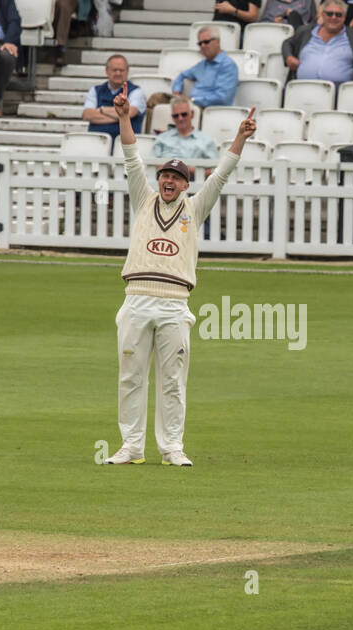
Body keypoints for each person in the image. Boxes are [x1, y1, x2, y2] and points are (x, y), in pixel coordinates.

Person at [101, 94, 255, 467]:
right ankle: (132, 446)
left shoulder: (194, 208)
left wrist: (241, 137)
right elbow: (131, 158)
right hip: (137, 297)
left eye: (176, 178)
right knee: (130, 378)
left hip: (174, 303)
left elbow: (221, 176)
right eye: (165, 176)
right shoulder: (143, 199)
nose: (169, 181)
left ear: (186, 185)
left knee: (173, 380)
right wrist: (124, 118)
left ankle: (172, 446)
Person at [282, 0, 353, 84]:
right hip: (302, 89)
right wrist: (289, 57)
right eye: (329, 14)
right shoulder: (305, 31)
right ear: (323, 15)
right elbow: (287, 43)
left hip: (339, 93)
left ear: (344, 17)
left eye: (338, 15)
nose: (333, 17)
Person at [171, 26, 238, 109]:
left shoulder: (227, 65)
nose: (202, 46)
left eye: (206, 42)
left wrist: (193, 100)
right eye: (200, 43)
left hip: (207, 109)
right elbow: (182, 75)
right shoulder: (202, 64)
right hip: (190, 105)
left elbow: (222, 98)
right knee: (156, 98)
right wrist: (177, 92)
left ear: (217, 42)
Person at [150, 96, 218, 178]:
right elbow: (151, 164)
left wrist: (190, 170)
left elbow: (215, 170)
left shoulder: (206, 140)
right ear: (172, 117)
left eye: (184, 114)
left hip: (193, 181)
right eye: (176, 116)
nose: (180, 118)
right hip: (163, 180)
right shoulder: (162, 138)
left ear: (192, 114)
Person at [82, 54, 145, 142]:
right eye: (115, 70)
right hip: (96, 143)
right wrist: (121, 117)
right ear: (107, 71)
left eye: (121, 70)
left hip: (125, 145)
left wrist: (102, 110)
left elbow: (130, 113)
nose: (118, 73)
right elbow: (87, 115)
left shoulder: (137, 91)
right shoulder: (95, 90)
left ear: (127, 71)